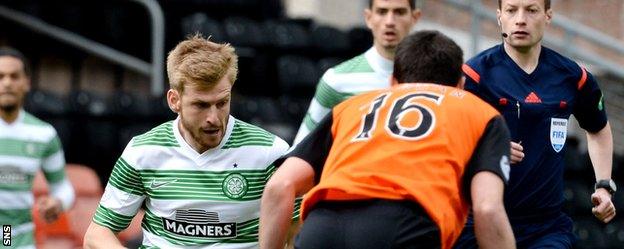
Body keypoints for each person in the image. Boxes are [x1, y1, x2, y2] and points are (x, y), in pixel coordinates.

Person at [260, 30, 516, 249]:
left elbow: (278, 187)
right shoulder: (481, 113)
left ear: (392, 82)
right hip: (403, 227)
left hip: (321, 230)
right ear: (460, 85)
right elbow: (487, 208)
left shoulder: (351, 107)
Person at [83, 35, 289, 248]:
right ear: (174, 100)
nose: (213, 117)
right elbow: (97, 234)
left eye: (222, 103)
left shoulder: (270, 153)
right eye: (201, 105)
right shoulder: (143, 152)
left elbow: (297, 232)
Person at [455, 0, 616, 248]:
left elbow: (598, 130)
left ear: (548, 16)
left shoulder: (574, 77)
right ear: (499, 16)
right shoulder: (473, 75)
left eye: (531, 10)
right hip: (479, 221)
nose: (521, 19)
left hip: (546, 228)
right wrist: (486, 149)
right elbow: (448, 138)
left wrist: (604, 186)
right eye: (511, 10)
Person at [292, 0, 421, 144]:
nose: (390, 21)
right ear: (368, 17)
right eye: (382, 12)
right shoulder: (337, 80)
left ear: (415, 17)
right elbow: (301, 149)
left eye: (399, 12)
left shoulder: (435, 80)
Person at [0, 47, 75, 248]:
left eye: (14, 76)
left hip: (11, 235)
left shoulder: (43, 134)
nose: (7, 83)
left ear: (27, 83)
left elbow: (63, 187)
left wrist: (57, 202)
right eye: (0, 76)